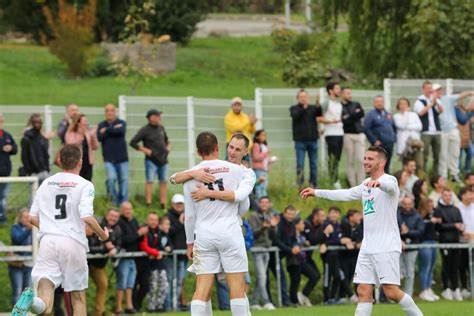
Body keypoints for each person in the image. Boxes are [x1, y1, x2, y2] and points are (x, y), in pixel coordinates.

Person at [300, 145, 423, 316]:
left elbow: (390, 187)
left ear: (382, 162)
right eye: (365, 158)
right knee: (363, 290)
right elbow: (345, 194)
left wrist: (379, 183)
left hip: (386, 244)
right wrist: (317, 192)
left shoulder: (390, 180)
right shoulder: (365, 184)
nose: (365, 161)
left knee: (391, 292)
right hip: (367, 245)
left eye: (370, 159)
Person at [12, 144, 109, 315]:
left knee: (45, 297)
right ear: (80, 162)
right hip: (73, 242)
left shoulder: (46, 183)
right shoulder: (85, 184)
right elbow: (87, 217)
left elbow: (32, 218)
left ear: (59, 161)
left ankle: (33, 302)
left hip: (48, 242)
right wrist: (102, 235)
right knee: (78, 297)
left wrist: (53, 227)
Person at [183, 132, 254, 316]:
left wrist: (190, 242)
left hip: (204, 235)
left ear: (198, 151)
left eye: (237, 149)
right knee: (237, 288)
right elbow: (244, 203)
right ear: (218, 147)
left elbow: (189, 216)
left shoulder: (190, 176)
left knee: (202, 289)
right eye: (231, 147)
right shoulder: (237, 170)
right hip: (229, 231)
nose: (232, 152)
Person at [129, 109, 170, 209]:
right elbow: (133, 142)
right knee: (150, 181)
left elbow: (167, 141)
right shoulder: (144, 130)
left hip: (163, 160)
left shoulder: (161, 128)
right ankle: (148, 204)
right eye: (157, 115)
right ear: (151, 117)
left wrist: (168, 147)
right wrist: (145, 150)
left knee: (163, 181)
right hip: (151, 160)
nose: (159, 118)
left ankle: (163, 204)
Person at [87, 208, 122, 316]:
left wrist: (115, 249)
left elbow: (119, 243)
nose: (113, 218)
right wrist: (105, 248)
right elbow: (89, 244)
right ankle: (80, 312)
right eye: (112, 215)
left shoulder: (118, 229)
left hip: (99, 264)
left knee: (103, 284)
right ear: (106, 215)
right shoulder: (97, 224)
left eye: (116, 216)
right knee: (80, 287)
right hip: (85, 262)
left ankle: (99, 311)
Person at [434, 189, 465, 301]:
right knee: (446, 265)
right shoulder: (438, 210)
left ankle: (455, 288)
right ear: (442, 196)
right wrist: (453, 226)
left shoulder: (456, 209)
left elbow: (460, 222)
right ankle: (446, 288)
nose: (448, 197)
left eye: (449, 195)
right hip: (445, 242)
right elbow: (439, 227)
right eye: (445, 195)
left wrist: (461, 227)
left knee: (455, 265)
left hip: (456, 241)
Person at [248, 196, 278, 310]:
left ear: (269, 204)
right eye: (262, 202)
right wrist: (263, 227)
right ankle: (266, 301)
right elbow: (251, 233)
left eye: (266, 202)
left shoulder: (270, 215)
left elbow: (274, 236)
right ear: (259, 204)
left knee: (262, 277)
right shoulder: (253, 216)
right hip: (257, 249)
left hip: (267, 248)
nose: (264, 204)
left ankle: (254, 302)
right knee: (262, 276)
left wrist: (273, 227)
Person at [139, 214, 173, 312]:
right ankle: (151, 306)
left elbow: (167, 246)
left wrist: (168, 249)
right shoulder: (145, 231)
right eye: (151, 220)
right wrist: (156, 252)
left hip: (160, 264)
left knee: (164, 285)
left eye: (155, 220)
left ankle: (159, 305)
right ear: (147, 220)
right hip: (150, 264)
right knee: (152, 286)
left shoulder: (160, 232)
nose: (154, 222)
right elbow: (145, 246)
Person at [290, 89, 323, 188]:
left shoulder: (312, 108)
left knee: (314, 164)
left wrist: (318, 104)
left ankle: (313, 184)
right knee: (300, 164)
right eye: (301, 97)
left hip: (313, 140)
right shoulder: (294, 108)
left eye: (305, 97)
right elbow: (296, 116)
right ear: (298, 98)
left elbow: (319, 113)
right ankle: (300, 184)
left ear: (308, 97)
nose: (303, 99)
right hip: (300, 141)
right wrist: (303, 108)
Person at [97, 103, 129, 206]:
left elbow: (121, 131)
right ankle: (114, 200)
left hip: (122, 159)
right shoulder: (101, 124)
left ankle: (123, 201)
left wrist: (106, 130)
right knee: (111, 179)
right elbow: (99, 137)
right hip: (109, 159)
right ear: (105, 113)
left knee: (123, 180)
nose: (110, 112)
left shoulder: (122, 122)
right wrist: (113, 129)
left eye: (112, 110)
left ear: (115, 112)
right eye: (107, 110)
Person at [117, 201, 145, 314]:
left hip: (133, 256)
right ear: (121, 210)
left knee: (130, 283)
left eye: (130, 209)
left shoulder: (134, 221)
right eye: (125, 209)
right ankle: (118, 308)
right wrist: (138, 234)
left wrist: (140, 235)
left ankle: (129, 306)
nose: (128, 211)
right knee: (121, 283)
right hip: (123, 256)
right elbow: (124, 239)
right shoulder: (119, 222)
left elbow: (136, 238)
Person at [287, 217, 318, 307]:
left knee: (314, 275)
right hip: (293, 261)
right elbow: (290, 244)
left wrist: (305, 242)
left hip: (301, 261)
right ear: (296, 225)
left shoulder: (301, 236)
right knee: (295, 281)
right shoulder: (291, 235)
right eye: (302, 223)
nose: (304, 225)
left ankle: (303, 295)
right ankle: (294, 301)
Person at [413, 81, 443, 176]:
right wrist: (430, 104)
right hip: (425, 132)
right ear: (423, 89)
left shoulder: (435, 99)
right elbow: (421, 113)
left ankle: (435, 176)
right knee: (424, 156)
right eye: (427, 88)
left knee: (437, 155)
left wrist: (435, 101)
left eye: (431, 88)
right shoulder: (419, 101)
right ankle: (423, 176)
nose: (429, 90)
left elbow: (441, 110)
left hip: (436, 132)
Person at [397, 197, 424, 296]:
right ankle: (395, 294)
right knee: (397, 272)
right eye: (405, 204)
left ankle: (408, 294)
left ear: (412, 204)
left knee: (409, 272)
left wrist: (408, 232)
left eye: (409, 204)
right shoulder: (397, 215)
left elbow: (420, 232)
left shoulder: (418, 217)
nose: (407, 206)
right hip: (397, 247)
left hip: (412, 248)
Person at [319, 83, 344, 188]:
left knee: (337, 158)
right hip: (331, 134)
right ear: (330, 91)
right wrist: (330, 121)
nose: (339, 90)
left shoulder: (339, 104)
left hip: (340, 133)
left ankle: (335, 179)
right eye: (337, 88)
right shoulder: (326, 103)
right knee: (332, 158)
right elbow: (319, 117)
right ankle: (334, 180)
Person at [167, 194, 189, 310]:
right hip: (173, 255)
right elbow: (169, 232)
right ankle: (171, 305)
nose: (179, 206)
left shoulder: (188, 215)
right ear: (172, 204)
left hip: (185, 255)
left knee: (181, 281)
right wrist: (180, 223)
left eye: (181, 203)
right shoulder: (168, 216)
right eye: (177, 204)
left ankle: (177, 304)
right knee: (173, 281)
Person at [364, 96, 397, 173]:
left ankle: (386, 183)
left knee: (387, 164)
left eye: (381, 101)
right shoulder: (371, 114)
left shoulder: (388, 114)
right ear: (374, 103)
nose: (380, 103)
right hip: (379, 145)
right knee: (378, 165)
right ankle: (375, 183)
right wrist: (374, 140)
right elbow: (366, 128)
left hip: (389, 143)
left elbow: (393, 127)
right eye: (377, 102)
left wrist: (394, 138)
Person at [341, 87, 366, 187]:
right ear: (342, 94)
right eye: (347, 93)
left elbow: (361, 113)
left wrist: (349, 116)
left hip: (359, 135)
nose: (349, 95)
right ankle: (353, 185)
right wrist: (354, 115)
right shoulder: (339, 106)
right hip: (347, 135)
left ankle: (361, 184)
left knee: (361, 160)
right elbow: (344, 121)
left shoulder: (356, 104)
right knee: (350, 161)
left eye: (350, 93)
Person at [417, 198, 441, 302]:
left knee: (431, 267)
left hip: (433, 241)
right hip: (424, 243)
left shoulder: (433, 214)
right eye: (429, 206)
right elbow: (421, 227)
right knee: (425, 267)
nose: (431, 207)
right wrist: (429, 222)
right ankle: (423, 290)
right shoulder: (419, 216)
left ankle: (428, 288)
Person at [9, 209, 33, 308]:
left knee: (27, 291)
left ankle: (25, 312)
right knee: (17, 290)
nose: (27, 219)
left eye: (29, 217)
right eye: (25, 217)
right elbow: (17, 238)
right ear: (20, 218)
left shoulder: (35, 229)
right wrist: (28, 230)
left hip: (30, 264)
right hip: (17, 264)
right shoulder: (15, 228)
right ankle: (17, 314)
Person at [65, 113, 99, 181]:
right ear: (78, 123)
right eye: (84, 121)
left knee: (87, 183)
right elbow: (70, 144)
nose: (86, 123)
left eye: (86, 121)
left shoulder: (88, 133)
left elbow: (95, 147)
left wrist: (93, 135)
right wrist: (81, 135)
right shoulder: (70, 133)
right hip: (76, 164)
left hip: (88, 164)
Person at [394, 98, 423, 174]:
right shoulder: (396, 116)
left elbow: (419, 127)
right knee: (406, 165)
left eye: (405, 104)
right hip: (404, 145)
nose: (403, 106)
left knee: (419, 164)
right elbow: (401, 125)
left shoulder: (414, 114)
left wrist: (408, 127)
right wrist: (406, 114)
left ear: (408, 105)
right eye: (401, 104)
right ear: (398, 106)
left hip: (416, 143)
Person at [339, 209, 363, 303]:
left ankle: (358, 296)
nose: (360, 218)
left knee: (356, 276)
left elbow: (360, 238)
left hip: (354, 255)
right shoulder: (343, 225)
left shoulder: (359, 226)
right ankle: (342, 296)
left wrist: (357, 243)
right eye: (357, 216)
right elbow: (340, 238)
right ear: (351, 217)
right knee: (345, 275)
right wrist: (343, 241)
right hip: (343, 256)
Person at [224, 97, 257, 162]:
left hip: (244, 146)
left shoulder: (245, 116)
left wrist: (252, 124)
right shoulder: (228, 117)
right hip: (232, 145)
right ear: (231, 106)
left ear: (241, 106)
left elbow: (252, 130)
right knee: (231, 164)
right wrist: (249, 122)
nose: (237, 107)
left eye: (238, 105)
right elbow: (235, 129)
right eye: (235, 105)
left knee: (245, 165)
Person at [21, 114, 50, 185]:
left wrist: (47, 168)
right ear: (31, 123)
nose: (37, 124)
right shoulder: (26, 138)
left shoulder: (42, 138)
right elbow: (24, 156)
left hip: (44, 171)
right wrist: (29, 171)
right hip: (33, 172)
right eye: (35, 122)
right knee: (34, 194)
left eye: (39, 122)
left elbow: (46, 155)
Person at [0, 112, 18, 224]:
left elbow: (15, 148)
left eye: (2, 118)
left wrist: (11, 147)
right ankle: (2, 219)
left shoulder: (6, 135)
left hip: (5, 172)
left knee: (3, 196)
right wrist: (2, 147)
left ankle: (2, 216)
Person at [457, 188, 473, 299]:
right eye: (470, 194)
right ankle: (464, 288)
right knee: (463, 266)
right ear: (463, 196)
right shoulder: (457, 207)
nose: (472, 196)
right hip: (462, 241)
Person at [456, 100, 474, 175]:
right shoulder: (456, 109)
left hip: (467, 136)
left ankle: (467, 170)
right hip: (459, 135)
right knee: (459, 155)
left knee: (470, 153)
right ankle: (459, 172)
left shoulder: (464, 109)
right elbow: (463, 120)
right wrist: (469, 112)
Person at [252, 129, 271, 199]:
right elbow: (256, 157)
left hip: (264, 170)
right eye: (262, 135)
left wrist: (269, 164)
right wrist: (266, 153)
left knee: (264, 186)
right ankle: (259, 200)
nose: (264, 137)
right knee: (259, 186)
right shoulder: (256, 145)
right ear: (257, 137)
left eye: (265, 135)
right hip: (259, 169)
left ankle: (264, 201)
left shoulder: (264, 146)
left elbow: (266, 159)